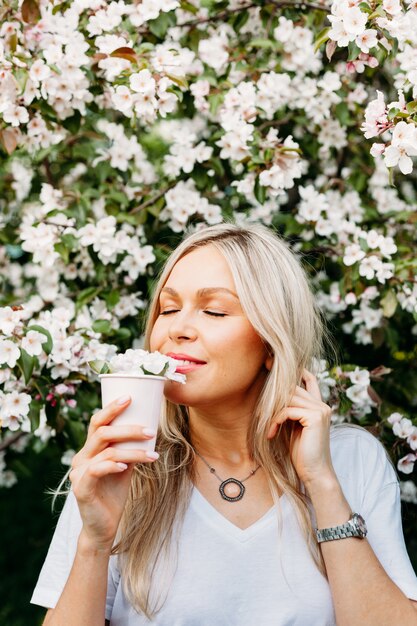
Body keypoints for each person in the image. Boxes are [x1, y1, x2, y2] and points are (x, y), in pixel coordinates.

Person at [32, 222, 417, 626]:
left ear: (271, 342)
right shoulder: (122, 466)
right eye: (168, 308)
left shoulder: (351, 459)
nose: (177, 329)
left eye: (214, 310)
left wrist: (322, 484)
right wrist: (94, 541)